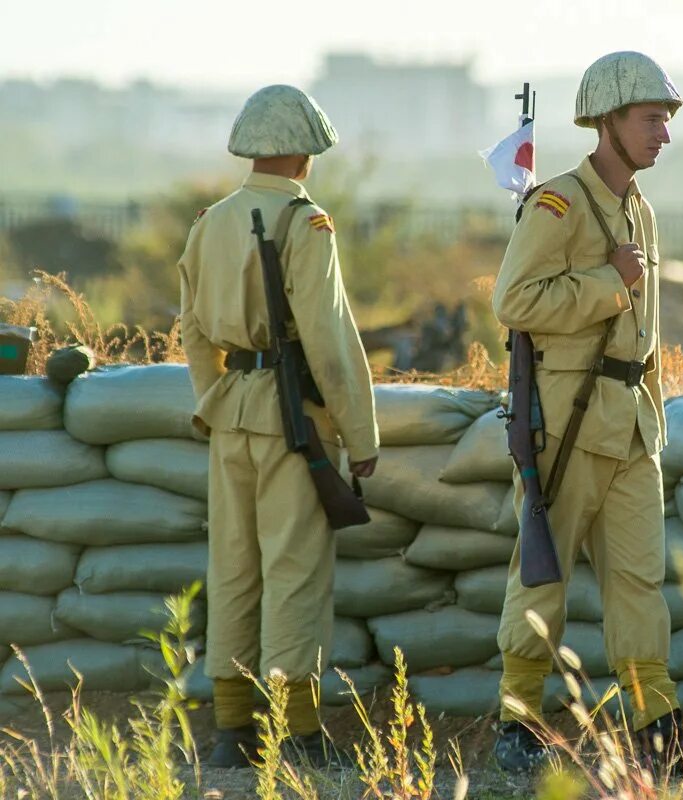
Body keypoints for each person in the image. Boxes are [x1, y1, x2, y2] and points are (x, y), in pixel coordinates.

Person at [491, 51, 683, 772]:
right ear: (607, 121)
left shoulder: (643, 211)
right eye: (650, 119)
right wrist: (609, 281)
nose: (662, 132)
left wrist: (654, 420)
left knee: (640, 580)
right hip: (566, 424)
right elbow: (514, 303)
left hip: (630, 426)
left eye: (665, 119)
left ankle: (655, 722)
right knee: (543, 575)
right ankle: (517, 720)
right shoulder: (559, 204)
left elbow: (648, 334)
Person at [178, 84, 379, 769]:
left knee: (232, 568)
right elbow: (328, 339)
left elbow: (194, 327)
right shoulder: (305, 221)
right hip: (294, 417)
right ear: (301, 152)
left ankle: (232, 730)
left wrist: (212, 400)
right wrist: (361, 433)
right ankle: (297, 734)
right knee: (294, 570)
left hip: (232, 410)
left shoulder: (211, 220)